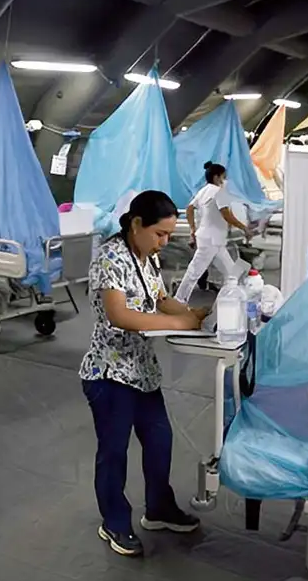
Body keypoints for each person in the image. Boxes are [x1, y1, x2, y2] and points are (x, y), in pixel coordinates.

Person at [79, 190, 209, 557]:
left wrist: (193, 314)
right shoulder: (110, 258)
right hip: (109, 374)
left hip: (142, 372)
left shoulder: (146, 258)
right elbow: (119, 315)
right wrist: (177, 323)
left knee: (159, 442)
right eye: (160, 234)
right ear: (137, 224)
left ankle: (159, 508)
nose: (164, 243)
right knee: (114, 452)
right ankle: (115, 523)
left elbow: (160, 298)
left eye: (169, 236)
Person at [174, 161, 252, 303]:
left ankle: (236, 299)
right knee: (194, 272)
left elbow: (189, 209)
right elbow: (226, 215)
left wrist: (193, 229)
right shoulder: (219, 193)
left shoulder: (203, 191)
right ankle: (178, 300)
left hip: (213, 241)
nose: (225, 180)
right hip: (211, 241)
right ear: (217, 177)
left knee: (231, 272)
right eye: (224, 176)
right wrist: (244, 228)